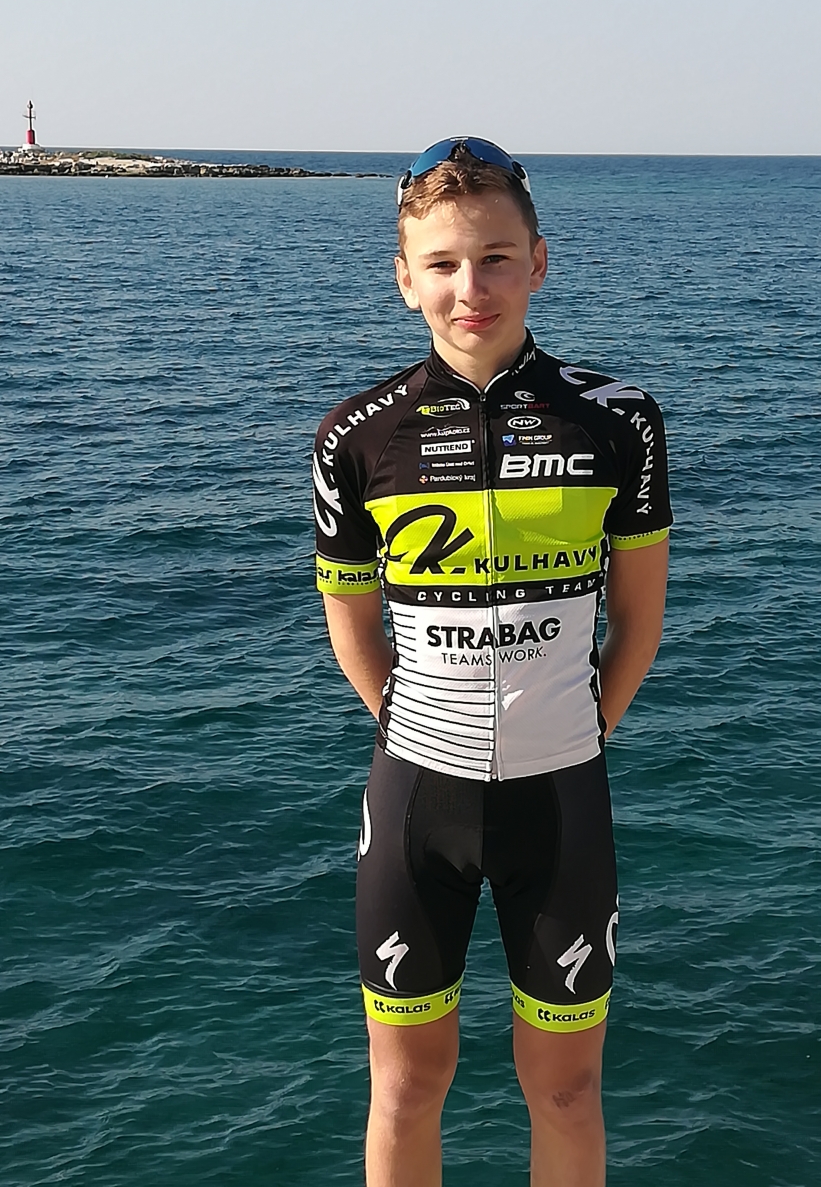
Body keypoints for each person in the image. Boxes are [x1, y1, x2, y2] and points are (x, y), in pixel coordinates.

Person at [313, 137, 671, 1187]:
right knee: (405, 1086)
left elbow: (638, 621)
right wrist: (425, 728)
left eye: (497, 259)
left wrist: (577, 732)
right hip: (416, 797)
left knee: (565, 1091)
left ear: (538, 263)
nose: (471, 287)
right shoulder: (355, 436)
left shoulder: (617, 421)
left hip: (562, 797)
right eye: (443, 263)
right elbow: (353, 629)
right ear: (405, 277)